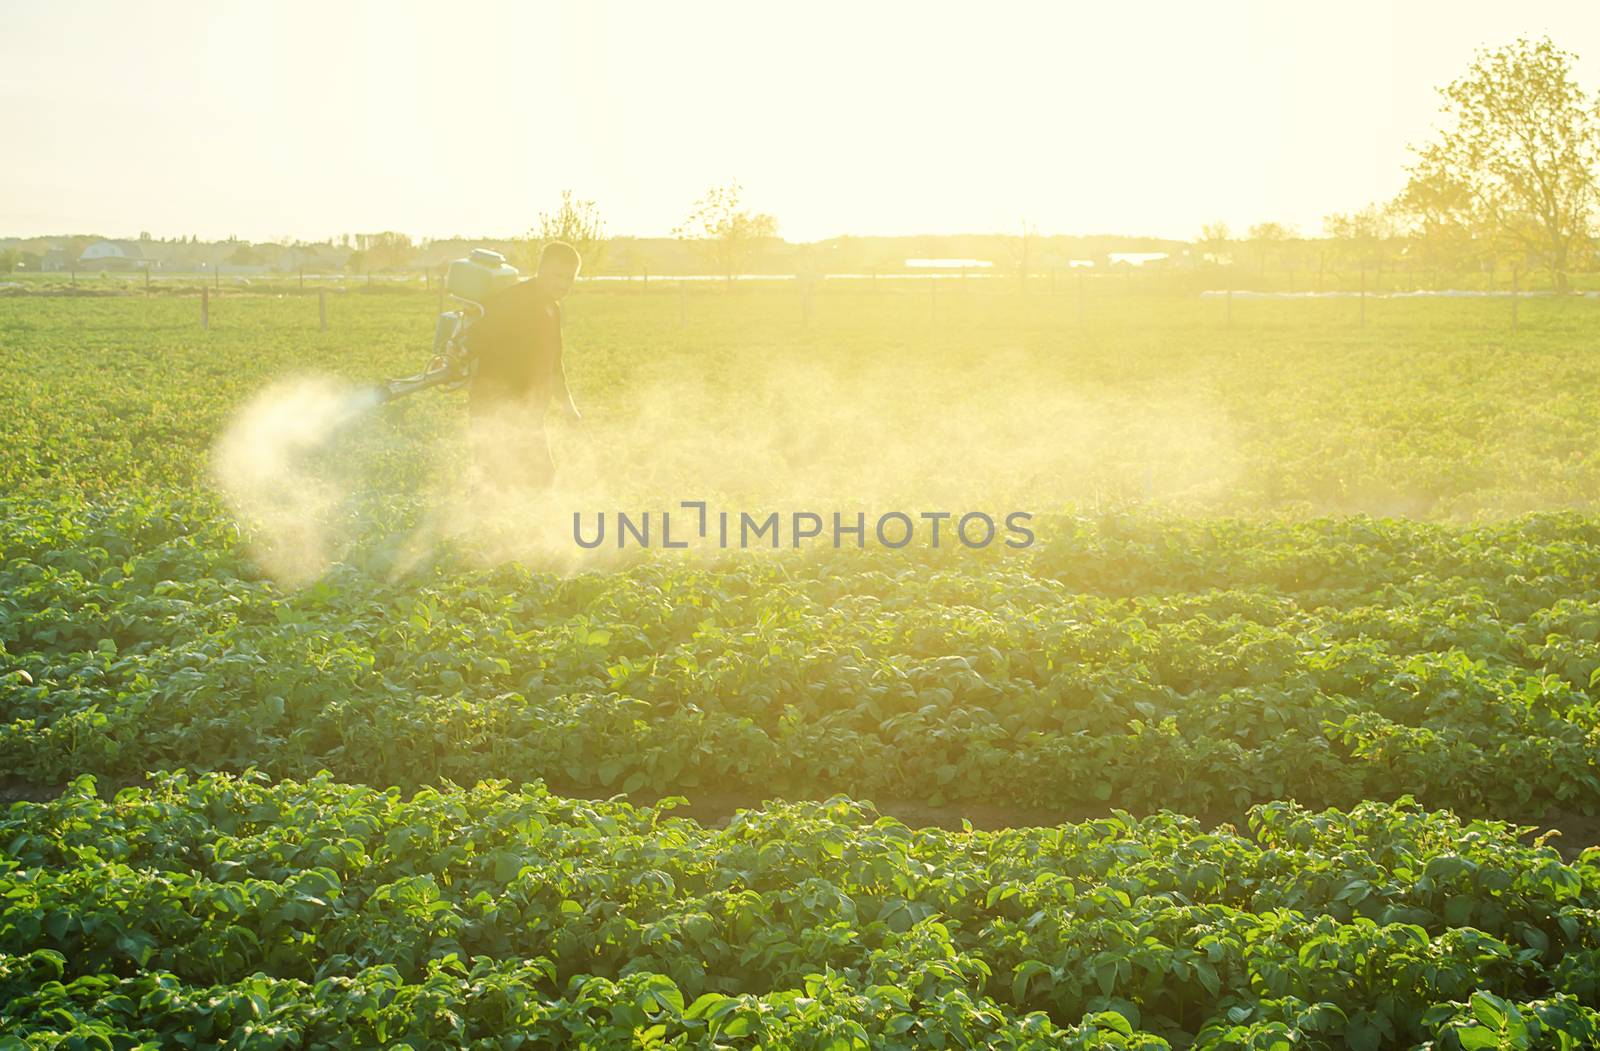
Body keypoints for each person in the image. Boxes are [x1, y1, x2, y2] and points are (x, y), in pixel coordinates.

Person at [466, 240, 582, 494]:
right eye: (557, 275)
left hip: (528, 411)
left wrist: (568, 406)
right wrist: (454, 356)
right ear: (540, 270)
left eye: (569, 278)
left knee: (538, 478)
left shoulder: (551, 308)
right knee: (490, 476)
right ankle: (472, 528)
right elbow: (477, 336)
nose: (563, 284)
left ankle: (513, 528)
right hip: (495, 406)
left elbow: (554, 363)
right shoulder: (515, 300)